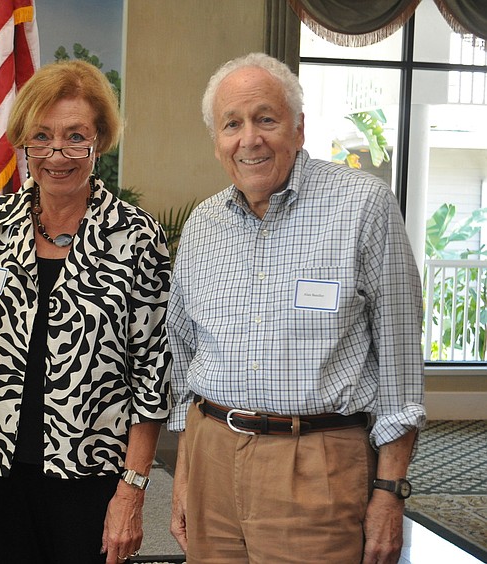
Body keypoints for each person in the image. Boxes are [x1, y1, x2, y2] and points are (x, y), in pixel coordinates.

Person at [167, 53, 426, 564]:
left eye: (266, 118)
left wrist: (390, 492)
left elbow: (400, 361)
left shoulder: (363, 206)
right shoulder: (201, 225)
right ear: (216, 140)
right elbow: (181, 350)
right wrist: (185, 471)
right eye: (232, 124)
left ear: (299, 127)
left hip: (317, 464)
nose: (249, 139)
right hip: (210, 455)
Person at [0, 60, 172, 564]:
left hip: (94, 477)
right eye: (41, 137)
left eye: (75, 137)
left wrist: (133, 487)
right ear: (23, 143)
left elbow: (153, 370)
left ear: (99, 141)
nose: (57, 155)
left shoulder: (136, 236)